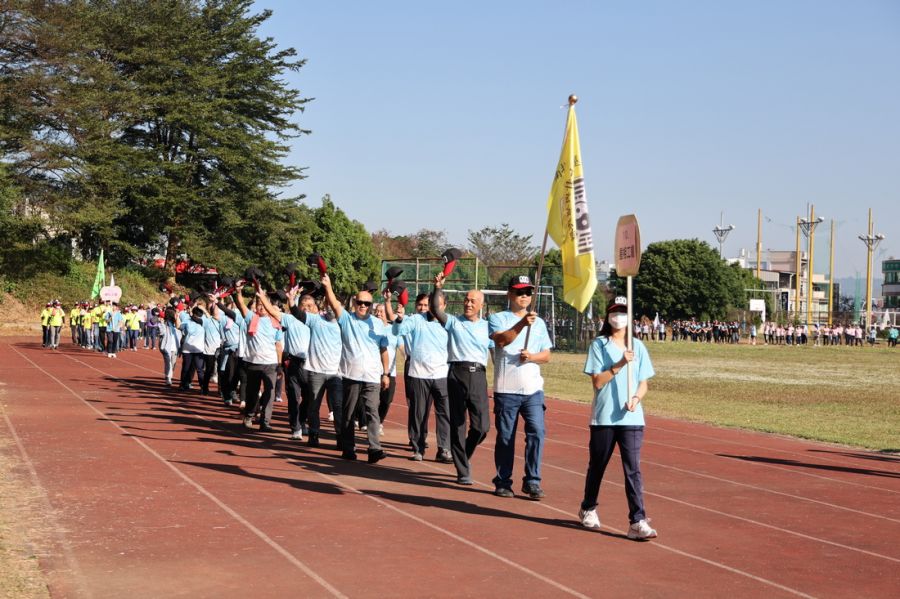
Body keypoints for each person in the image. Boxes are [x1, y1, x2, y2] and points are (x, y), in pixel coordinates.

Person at [579, 296, 657, 540]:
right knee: (598, 465)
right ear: (608, 316)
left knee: (632, 469)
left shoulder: (638, 346)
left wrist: (636, 398)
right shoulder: (599, 345)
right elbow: (597, 381)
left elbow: (644, 383)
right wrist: (620, 363)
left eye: (623, 312)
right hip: (604, 417)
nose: (618, 317)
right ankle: (588, 507)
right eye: (614, 312)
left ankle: (637, 520)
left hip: (631, 418)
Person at [488, 275, 552, 500]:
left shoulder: (539, 322)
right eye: (519, 292)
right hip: (507, 389)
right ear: (509, 294)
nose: (524, 296)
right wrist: (522, 323)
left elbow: (547, 355)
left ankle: (532, 481)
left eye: (527, 292)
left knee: (537, 432)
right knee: (506, 437)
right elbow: (501, 340)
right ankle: (503, 481)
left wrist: (532, 356)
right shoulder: (498, 318)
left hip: (533, 390)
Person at [321, 273, 389, 464]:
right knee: (349, 413)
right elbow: (334, 303)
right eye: (360, 302)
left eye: (367, 304)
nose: (363, 306)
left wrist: (385, 373)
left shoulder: (377, 324)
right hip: (351, 375)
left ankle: (374, 449)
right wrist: (328, 286)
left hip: (372, 375)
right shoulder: (346, 319)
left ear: (372, 305)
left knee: (372, 412)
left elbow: (384, 349)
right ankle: (348, 448)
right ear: (354, 303)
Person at [431, 272, 492, 485]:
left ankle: (463, 453)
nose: (468, 303)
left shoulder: (487, 327)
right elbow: (436, 309)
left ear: (481, 306)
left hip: (478, 376)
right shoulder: (454, 322)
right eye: (466, 300)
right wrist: (438, 288)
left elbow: (498, 349)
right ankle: (463, 470)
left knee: (482, 427)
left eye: (473, 301)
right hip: (456, 373)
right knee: (457, 424)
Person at [387, 292, 452, 463]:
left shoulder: (450, 322)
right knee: (419, 413)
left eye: (439, 305)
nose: (435, 307)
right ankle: (418, 448)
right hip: (419, 374)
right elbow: (398, 330)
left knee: (444, 413)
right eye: (432, 304)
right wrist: (399, 319)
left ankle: (444, 448)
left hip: (442, 375)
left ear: (445, 306)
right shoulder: (417, 319)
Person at [290, 286, 342, 448]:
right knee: (314, 406)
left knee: (338, 407)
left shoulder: (345, 322)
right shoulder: (316, 319)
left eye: (335, 306)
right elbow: (298, 313)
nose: (332, 308)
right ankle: (314, 434)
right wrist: (292, 301)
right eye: (329, 305)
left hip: (336, 374)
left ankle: (341, 438)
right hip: (316, 372)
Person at [258, 289, 311, 440]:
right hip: (293, 364)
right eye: (304, 305)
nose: (307, 308)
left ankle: (301, 420)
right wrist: (262, 296)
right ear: (299, 306)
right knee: (294, 397)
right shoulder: (289, 319)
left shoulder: (315, 321)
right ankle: (296, 427)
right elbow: (272, 312)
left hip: (310, 365)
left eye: (310, 305)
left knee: (309, 397)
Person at [235, 286, 284, 432]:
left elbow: (278, 345)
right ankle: (249, 415)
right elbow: (241, 305)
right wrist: (238, 292)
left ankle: (265, 421)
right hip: (253, 363)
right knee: (252, 393)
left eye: (263, 305)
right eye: (258, 305)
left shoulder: (276, 322)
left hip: (271, 364)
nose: (261, 307)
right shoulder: (251, 317)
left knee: (270, 393)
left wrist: (279, 364)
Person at [178, 305, 206, 389]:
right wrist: (176, 317)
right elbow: (179, 326)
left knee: (199, 369)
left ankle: (202, 386)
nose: (199, 315)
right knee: (186, 368)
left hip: (198, 349)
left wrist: (203, 309)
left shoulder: (204, 320)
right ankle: (183, 384)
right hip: (188, 349)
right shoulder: (187, 321)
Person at [159, 307, 181, 386]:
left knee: (173, 364)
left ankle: (169, 376)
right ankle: (168, 378)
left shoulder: (176, 324)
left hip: (175, 347)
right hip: (166, 347)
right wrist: (161, 323)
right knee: (168, 363)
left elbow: (180, 333)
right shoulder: (164, 324)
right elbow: (161, 332)